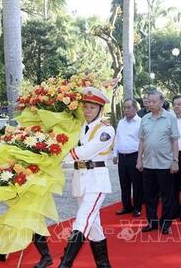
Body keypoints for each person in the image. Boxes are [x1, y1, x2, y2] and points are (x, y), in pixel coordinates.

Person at [59, 86, 115, 268]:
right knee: (94, 226)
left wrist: (57, 154)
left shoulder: (106, 130)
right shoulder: (81, 127)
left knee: (82, 220)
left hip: (96, 180)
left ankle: (65, 264)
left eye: (92, 107)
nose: (88, 111)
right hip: (80, 179)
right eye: (85, 107)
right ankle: (104, 265)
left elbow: (86, 151)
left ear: (100, 109)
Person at [136, 90, 180, 235]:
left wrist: (175, 161)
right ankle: (152, 222)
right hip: (148, 164)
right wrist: (139, 159)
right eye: (149, 101)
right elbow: (141, 140)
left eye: (154, 101)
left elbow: (174, 140)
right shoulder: (145, 118)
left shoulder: (170, 118)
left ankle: (166, 223)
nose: (151, 104)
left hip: (165, 164)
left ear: (161, 102)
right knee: (150, 196)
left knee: (167, 196)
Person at [113, 99, 143, 217]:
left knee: (137, 184)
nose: (126, 110)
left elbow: (143, 141)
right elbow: (117, 138)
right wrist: (115, 154)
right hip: (122, 157)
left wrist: (141, 158)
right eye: (125, 108)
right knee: (124, 183)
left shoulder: (141, 122)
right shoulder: (121, 122)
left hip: (135, 156)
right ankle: (126, 206)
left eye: (129, 107)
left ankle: (137, 207)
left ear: (135, 108)